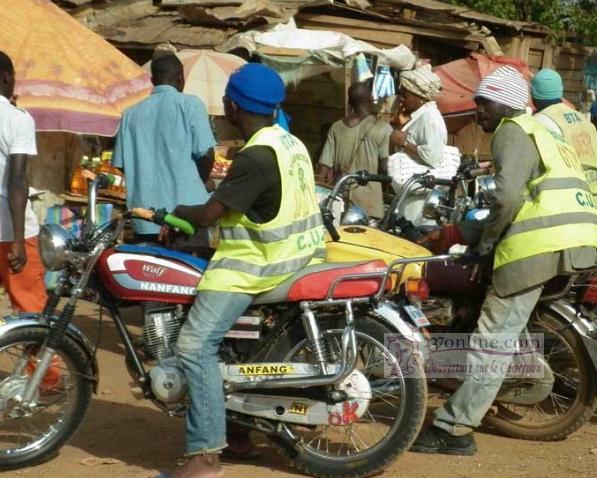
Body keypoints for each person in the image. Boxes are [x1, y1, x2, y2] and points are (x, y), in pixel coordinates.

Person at [410, 66, 597, 455]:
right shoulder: (543, 131)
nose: (477, 109)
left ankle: (454, 427)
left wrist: (485, 247)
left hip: (539, 247)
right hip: (577, 238)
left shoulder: (511, 132)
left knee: (493, 338)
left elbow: (508, 198)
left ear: (506, 104)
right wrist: (471, 234)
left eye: (484, 102)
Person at [155, 63, 325, 478]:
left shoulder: (256, 155)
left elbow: (210, 213)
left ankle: (204, 459)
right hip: (299, 257)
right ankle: (238, 428)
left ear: (233, 106)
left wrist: (174, 211)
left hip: (255, 268)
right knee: (230, 347)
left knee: (194, 346)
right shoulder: (290, 143)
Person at [112, 53, 216, 244]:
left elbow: (122, 165)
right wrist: (198, 182)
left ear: (152, 80)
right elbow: (207, 155)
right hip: (184, 221)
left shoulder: (129, 114)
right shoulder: (191, 105)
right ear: (181, 78)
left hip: (143, 219)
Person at [0, 50, 47, 313]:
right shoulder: (17, 119)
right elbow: (17, 179)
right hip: (9, 230)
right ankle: (41, 356)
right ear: (7, 79)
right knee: (31, 314)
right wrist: (18, 241)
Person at [318, 80, 392, 218]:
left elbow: (324, 168)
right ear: (370, 100)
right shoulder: (382, 128)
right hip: (370, 205)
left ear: (350, 102)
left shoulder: (336, 127)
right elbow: (384, 168)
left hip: (340, 203)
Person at [389, 64, 447, 224]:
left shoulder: (430, 118)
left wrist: (404, 142)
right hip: (411, 198)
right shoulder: (420, 117)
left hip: (420, 204)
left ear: (419, 96)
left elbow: (433, 156)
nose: (401, 98)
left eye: (404, 94)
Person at [531, 68, 597, 200]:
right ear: (560, 91)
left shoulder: (538, 123)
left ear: (533, 95)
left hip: (569, 202)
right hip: (594, 200)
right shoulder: (585, 121)